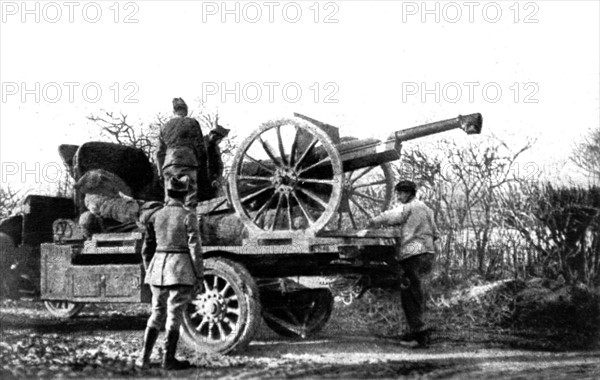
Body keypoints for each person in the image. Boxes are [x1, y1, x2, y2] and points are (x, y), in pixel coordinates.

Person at [136, 175, 203, 370]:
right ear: (184, 194)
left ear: (168, 192)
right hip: (180, 269)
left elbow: (146, 248)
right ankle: (168, 360)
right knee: (174, 315)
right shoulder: (188, 215)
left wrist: (150, 268)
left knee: (156, 313)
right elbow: (195, 249)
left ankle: (143, 358)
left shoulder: (156, 215)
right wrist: (199, 274)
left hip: (158, 269)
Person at [367, 180, 439, 348]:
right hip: (427, 253)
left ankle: (419, 337)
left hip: (413, 253)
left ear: (407, 193)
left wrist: (373, 221)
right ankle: (417, 332)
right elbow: (436, 232)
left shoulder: (408, 208)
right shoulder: (428, 209)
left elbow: (390, 217)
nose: (398, 196)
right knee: (418, 293)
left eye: (400, 193)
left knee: (409, 295)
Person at [156, 98, 210, 206]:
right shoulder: (192, 122)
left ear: (173, 111)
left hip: (168, 165)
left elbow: (159, 152)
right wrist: (203, 167)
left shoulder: (164, 127)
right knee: (190, 199)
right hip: (187, 163)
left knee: (169, 200)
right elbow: (200, 147)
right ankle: (188, 221)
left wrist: (160, 171)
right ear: (186, 110)